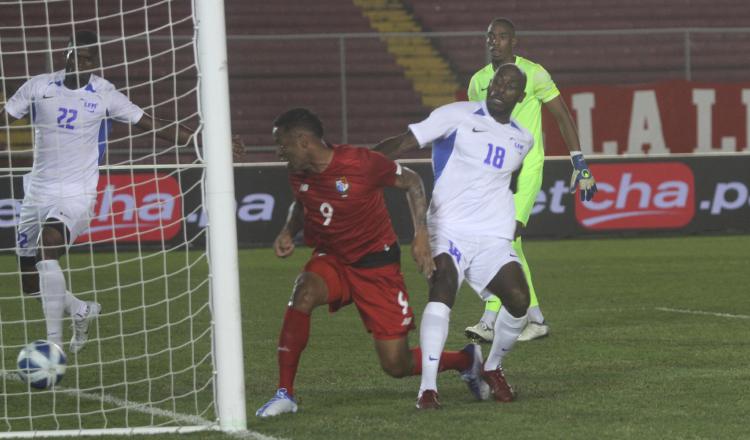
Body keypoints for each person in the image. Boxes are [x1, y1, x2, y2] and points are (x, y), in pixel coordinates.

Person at [0, 30, 239, 355]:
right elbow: (5, 117)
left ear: (94, 61)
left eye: (87, 58)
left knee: (47, 249)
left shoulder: (104, 94)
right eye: (75, 55)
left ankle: (53, 347)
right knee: (30, 285)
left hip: (76, 193)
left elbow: (153, 123)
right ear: (65, 55)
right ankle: (81, 310)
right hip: (36, 192)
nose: (80, 62)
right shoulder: (38, 86)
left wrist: (213, 141)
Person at [373, 64, 596, 403]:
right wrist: (357, 162)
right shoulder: (456, 115)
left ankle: (491, 367)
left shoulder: (523, 138)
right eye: (497, 81)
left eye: (509, 86)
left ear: (520, 97)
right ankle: (428, 388)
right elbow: (403, 142)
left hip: (491, 237)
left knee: (519, 300)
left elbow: (514, 179)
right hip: (448, 228)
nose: (499, 88)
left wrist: (506, 217)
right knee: (443, 284)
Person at [255, 108, 488, 417]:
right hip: (333, 258)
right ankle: (285, 393)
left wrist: (420, 233)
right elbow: (302, 203)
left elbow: (413, 181)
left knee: (396, 364)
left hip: (376, 265)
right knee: (304, 292)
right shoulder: (298, 172)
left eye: (282, 143)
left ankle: (465, 360)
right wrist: (288, 230)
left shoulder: (359, 163)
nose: (279, 151)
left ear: (302, 140)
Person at [463, 17, 598, 343]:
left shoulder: (534, 74)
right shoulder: (477, 82)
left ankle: (490, 318)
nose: (495, 41)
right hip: (494, 175)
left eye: (502, 36)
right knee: (510, 243)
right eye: (491, 36)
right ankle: (535, 319)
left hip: (526, 170)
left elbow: (562, 114)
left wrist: (579, 163)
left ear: (514, 41)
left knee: (504, 239)